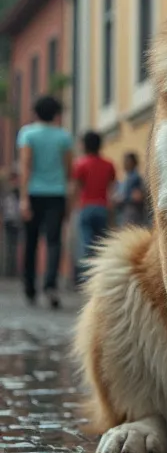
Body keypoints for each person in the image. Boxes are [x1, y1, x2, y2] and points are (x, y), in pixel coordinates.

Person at [17, 95, 73, 308]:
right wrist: (68, 199)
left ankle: (30, 287)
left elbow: (25, 166)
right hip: (57, 195)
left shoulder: (27, 134)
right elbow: (69, 171)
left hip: (33, 194)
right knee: (53, 241)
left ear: (36, 112)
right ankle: (50, 284)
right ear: (56, 114)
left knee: (30, 242)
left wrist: (23, 199)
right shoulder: (63, 137)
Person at [72, 131, 117, 266]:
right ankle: (101, 274)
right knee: (102, 244)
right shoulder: (109, 164)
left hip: (86, 207)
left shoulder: (80, 164)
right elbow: (112, 189)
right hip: (103, 207)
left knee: (86, 243)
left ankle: (87, 278)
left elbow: (76, 188)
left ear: (84, 145)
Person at [115, 152, 146, 226]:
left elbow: (138, 196)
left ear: (134, 163)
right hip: (125, 212)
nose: (125, 163)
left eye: (127, 161)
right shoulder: (126, 177)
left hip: (132, 212)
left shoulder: (135, 178)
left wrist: (123, 198)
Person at [1, 170, 20, 278]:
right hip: (8, 221)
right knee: (8, 247)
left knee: (15, 247)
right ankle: (8, 271)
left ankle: (14, 270)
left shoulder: (18, 193)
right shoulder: (6, 193)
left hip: (17, 222)